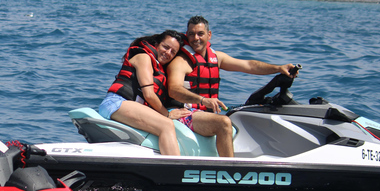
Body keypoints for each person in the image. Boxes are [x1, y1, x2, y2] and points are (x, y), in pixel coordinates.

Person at [166, 16, 298, 157]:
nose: (195, 38)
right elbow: (174, 90)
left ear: (209, 35)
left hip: (204, 114)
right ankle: (231, 170)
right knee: (223, 122)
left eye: (200, 33)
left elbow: (249, 66)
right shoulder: (181, 61)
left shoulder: (216, 58)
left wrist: (278, 68)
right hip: (185, 114)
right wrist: (203, 100)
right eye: (191, 34)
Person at [98, 30, 191, 156]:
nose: (168, 53)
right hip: (116, 103)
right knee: (166, 125)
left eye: (173, 52)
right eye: (165, 47)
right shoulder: (144, 57)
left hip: (128, 106)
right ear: (157, 44)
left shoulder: (160, 68)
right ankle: (177, 170)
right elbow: (149, 94)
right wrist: (168, 115)